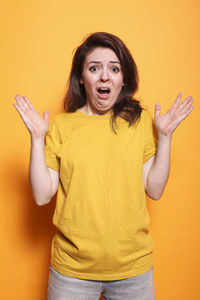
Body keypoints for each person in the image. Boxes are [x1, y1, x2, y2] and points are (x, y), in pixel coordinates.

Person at [14, 32, 194, 300]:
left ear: (123, 80)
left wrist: (165, 136)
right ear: (81, 78)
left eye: (114, 68)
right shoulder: (61, 127)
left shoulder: (140, 122)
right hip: (71, 273)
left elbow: (154, 190)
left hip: (133, 270)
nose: (104, 76)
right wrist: (37, 139)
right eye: (94, 68)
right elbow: (42, 195)